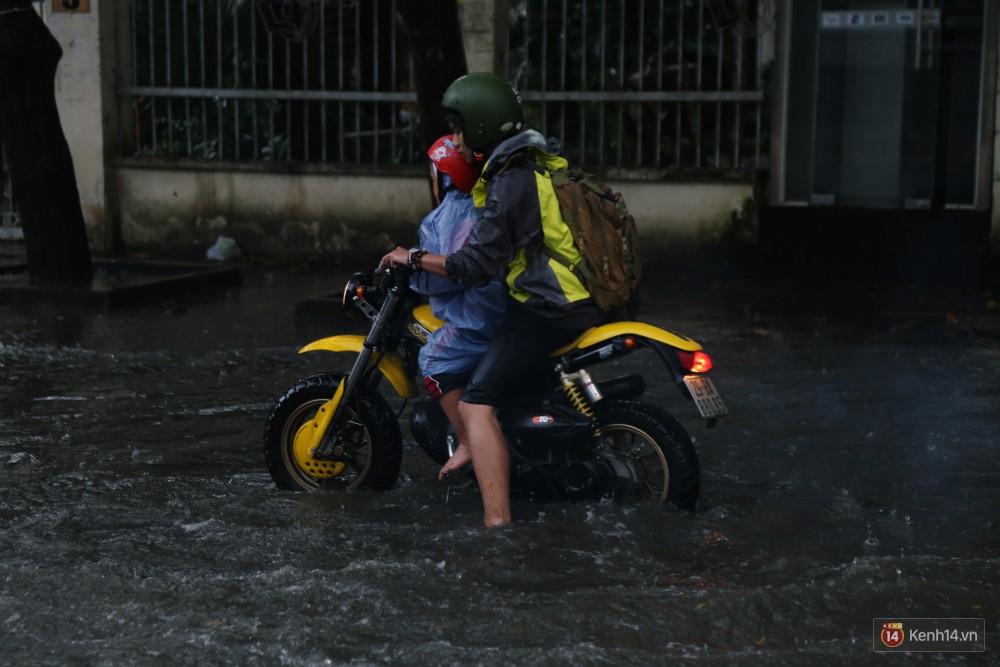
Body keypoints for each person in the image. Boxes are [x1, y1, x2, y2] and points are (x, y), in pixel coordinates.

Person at [381, 72, 605, 527]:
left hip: (549, 308)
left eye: (461, 128)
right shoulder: (536, 161)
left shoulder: (510, 181)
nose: (457, 140)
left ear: (482, 127)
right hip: (579, 297)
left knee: (474, 405)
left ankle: (497, 528)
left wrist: (417, 257)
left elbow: (472, 266)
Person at [410, 135, 505, 481]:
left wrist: (411, 265)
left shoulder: (447, 216)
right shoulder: (488, 202)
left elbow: (446, 275)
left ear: (445, 176)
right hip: (505, 312)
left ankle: (466, 440)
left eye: (434, 173)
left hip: (476, 319)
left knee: (433, 358)